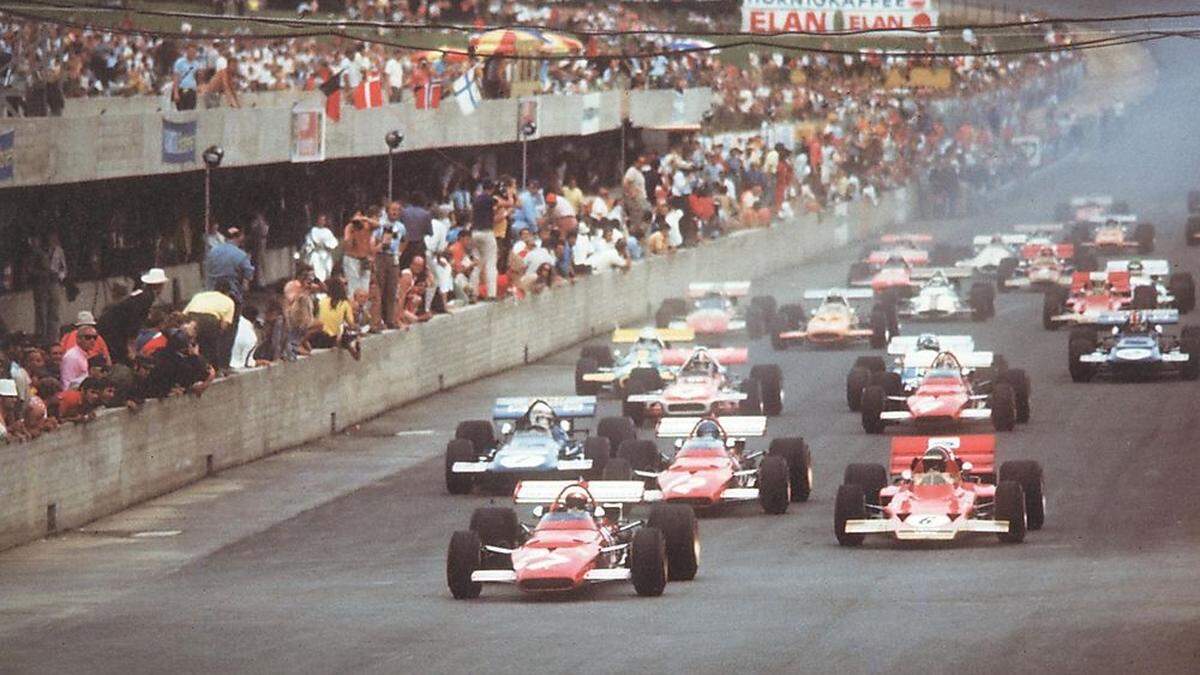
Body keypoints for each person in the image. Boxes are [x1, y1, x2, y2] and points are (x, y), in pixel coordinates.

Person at [97, 268, 168, 366]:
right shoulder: (147, 297)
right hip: (114, 329)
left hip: (111, 325)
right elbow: (135, 319)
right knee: (122, 356)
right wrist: (131, 345)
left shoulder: (141, 293)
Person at [183, 282, 237, 373]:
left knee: (190, 345)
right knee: (211, 347)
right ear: (228, 292)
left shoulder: (199, 295)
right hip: (209, 319)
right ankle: (214, 370)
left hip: (191, 316)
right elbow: (224, 325)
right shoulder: (229, 301)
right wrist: (217, 335)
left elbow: (184, 313)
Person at [312, 276, 362, 359]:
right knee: (351, 336)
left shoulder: (321, 302)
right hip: (333, 338)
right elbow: (352, 325)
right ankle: (349, 345)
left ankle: (343, 342)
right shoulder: (344, 303)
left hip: (320, 337)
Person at [471, 180, 500, 300]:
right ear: (492, 188)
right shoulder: (489, 199)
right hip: (486, 232)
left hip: (475, 232)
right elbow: (508, 203)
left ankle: (473, 293)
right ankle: (491, 293)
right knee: (490, 263)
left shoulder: (476, 199)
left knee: (477, 264)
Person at [342, 213, 379, 299]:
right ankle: (353, 308)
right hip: (352, 259)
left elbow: (378, 225)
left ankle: (363, 310)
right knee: (353, 287)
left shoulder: (369, 225)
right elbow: (346, 243)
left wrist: (364, 219)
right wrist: (352, 233)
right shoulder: (350, 227)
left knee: (365, 287)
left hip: (365, 259)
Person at [302, 214, 339, 283]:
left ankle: (326, 284)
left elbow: (333, 242)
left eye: (323, 220)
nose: (322, 221)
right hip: (316, 254)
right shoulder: (313, 231)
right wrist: (314, 247)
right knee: (317, 271)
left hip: (326, 255)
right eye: (320, 220)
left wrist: (328, 246)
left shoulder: (327, 231)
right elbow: (309, 244)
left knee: (327, 271)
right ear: (317, 221)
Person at [60, 324, 99, 390]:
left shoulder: (84, 355)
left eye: (94, 337)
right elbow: (67, 382)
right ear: (78, 339)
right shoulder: (72, 356)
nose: (92, 340)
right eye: (88, 337)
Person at [172, 44, 203, 111]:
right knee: (182, 111)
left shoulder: (197, 64)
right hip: (182, 89)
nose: (192, 54)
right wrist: (176, 93)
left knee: (191, 112)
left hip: (192, 91)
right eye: (191, 52)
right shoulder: (180, 62)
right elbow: (176, 78)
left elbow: (199, 78)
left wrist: (199, 87)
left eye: (194, 52)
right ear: (187, 51)